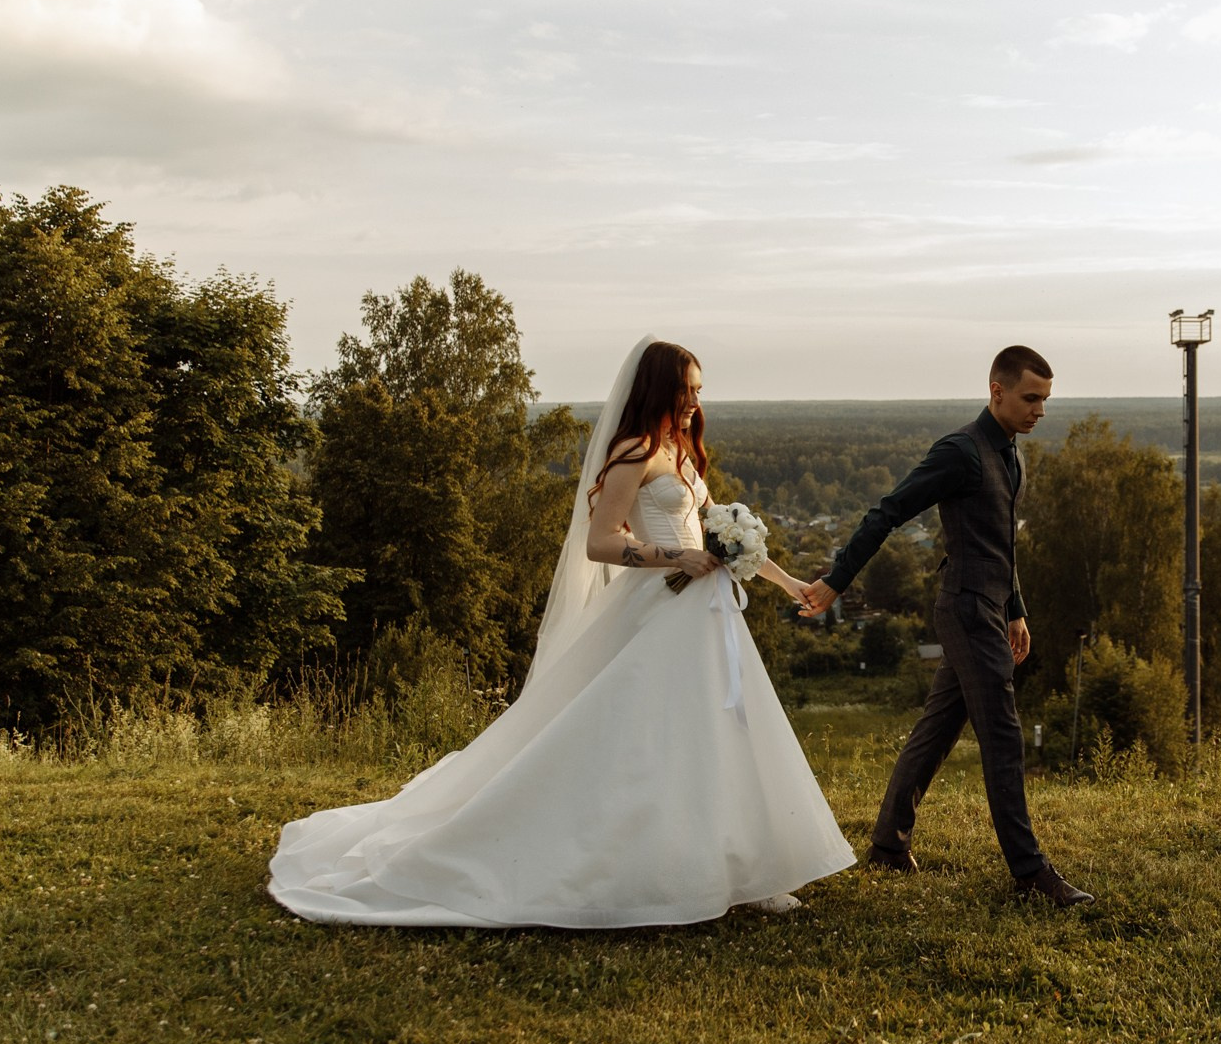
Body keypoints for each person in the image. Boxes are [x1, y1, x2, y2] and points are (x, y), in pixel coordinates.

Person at [269, 337, 854, 928]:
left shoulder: (682, 450)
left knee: (720, 733)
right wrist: (670, 556)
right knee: (645, 739)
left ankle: (746, 869)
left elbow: (721, 540)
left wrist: (787, 583)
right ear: (658, 390)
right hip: (658, 607)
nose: (695, 403)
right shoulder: (634, 453)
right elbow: (600, 541)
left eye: (699, 392)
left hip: (707, 616)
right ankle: (639, 861)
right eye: (686, 391)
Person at [801, 346, 1093, 907]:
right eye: (1031, 398)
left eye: (1046, 401)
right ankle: (1030, 875)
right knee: (1003, 735)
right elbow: (887, 512)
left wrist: (1016, 608)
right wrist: (836, 580)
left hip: (989, 605)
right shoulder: (960, 451)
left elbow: (1000, 544)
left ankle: (888, 845)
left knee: (937, 729)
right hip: (962, 607)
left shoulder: (1011, 454)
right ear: (997, 391)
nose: (1039, 411)